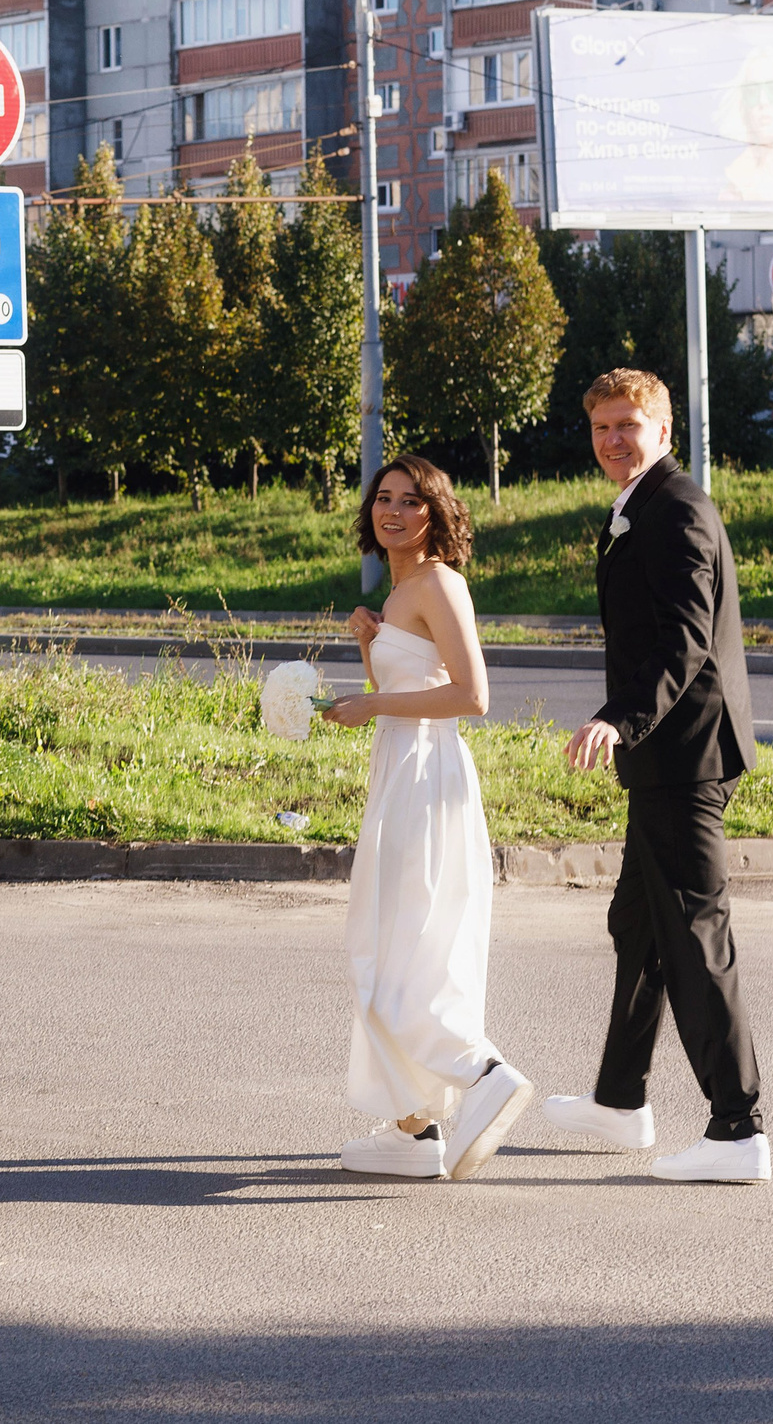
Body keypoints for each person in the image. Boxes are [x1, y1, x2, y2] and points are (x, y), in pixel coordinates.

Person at [546, 369, 770, 1183]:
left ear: (664, 430)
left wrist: (621, 719)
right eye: (602, 426)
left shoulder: (674, 511)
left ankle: (737, 1128)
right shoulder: (642, 506)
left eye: (628, 425)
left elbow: (684, 644)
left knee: (694, 937)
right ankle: (619, 1103)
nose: (613, 440)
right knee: (638, 928)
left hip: (684, 756)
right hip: (666, 759)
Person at [320, 455, 534, 1181]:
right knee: (396, 937)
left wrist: (373, 702)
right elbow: (407, 683)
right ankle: (415, 1131)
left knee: (401, 943)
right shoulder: (403, 587)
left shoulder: (439, 582)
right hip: (402, 769)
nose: (393, 511)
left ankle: (479, 1072)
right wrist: (368, 642)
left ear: (436, 514)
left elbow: (471, 696)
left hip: (426, 772)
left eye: (412, 501)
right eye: (384, 498)